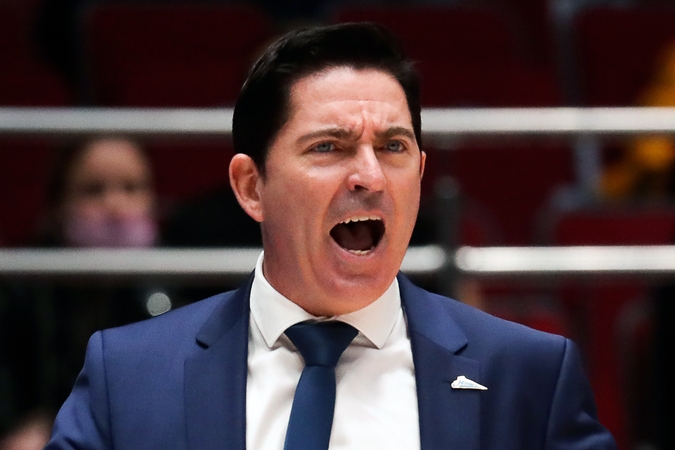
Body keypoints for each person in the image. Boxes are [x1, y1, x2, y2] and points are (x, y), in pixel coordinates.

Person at [45, 23, 616, 449]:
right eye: (329, 147)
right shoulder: (130, 374)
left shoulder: (528, 375)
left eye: (393, 147)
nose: (370, 176)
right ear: (251, 187)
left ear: (420, 174)